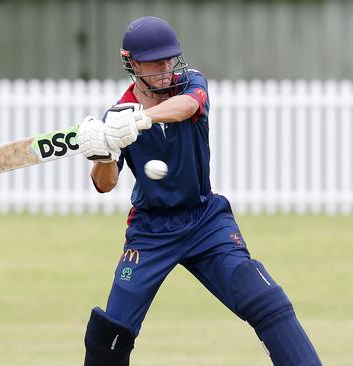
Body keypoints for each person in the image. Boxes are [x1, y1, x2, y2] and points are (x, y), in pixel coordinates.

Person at [76, 16, 322, 366]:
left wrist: (142, 119)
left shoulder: (190, 84)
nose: (166, 68)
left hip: (206, 220)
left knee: (267, 301)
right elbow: (105, 184)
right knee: (110, 334)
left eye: (170, 59)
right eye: (156, 61)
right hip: (151, 230)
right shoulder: (116, 116)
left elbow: (188, 107)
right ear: (132, 63)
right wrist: (102, 153)